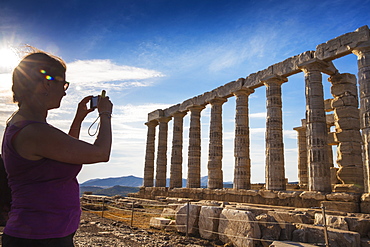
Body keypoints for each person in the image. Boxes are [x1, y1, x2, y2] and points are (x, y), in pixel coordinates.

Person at [1, 51, 113, 247]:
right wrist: (105, 114)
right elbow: (101, 153)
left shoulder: (27, 126)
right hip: (38, 238)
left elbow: (65, 152)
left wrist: (78, 119)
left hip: (43, 234)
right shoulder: (34, 131)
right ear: (46, 84)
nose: (65, 91)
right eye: (64, 84)